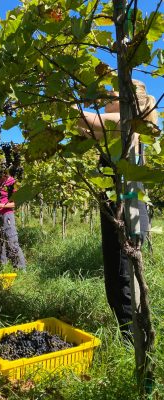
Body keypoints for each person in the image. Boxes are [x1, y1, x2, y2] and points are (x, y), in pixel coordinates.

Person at [75, 80, 158, 338]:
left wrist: (68, 101)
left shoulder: (127, 119)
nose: (107, 93)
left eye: (113, 90)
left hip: (127, 201)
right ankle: (129, 331)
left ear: (126, 97)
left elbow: (84, 121)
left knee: (122, 270)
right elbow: (85, 129)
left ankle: (133, 339)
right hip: (122, 200)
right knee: (117, 269)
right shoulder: (122, 121)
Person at [0, 168, 26, 270]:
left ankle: (20, 268)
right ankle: (3, 265)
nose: (0, 176)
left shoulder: (12, 182)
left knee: (11, 241)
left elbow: (17, 202)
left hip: (7, 214)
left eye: (3, 174)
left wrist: (2, 205)